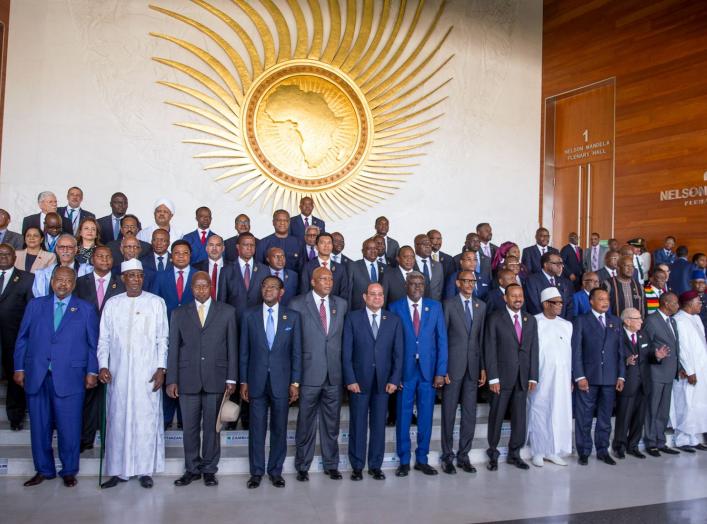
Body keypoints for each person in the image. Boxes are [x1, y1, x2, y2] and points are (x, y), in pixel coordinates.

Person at [14, 266, 99, 487]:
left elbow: (93, 345)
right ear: (52, 282)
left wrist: (92, 371)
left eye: (68, 281)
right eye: (59, 280)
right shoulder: (35, 305)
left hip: (71, 377)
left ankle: (69, 470)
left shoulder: (86, 309)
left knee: (69, 427)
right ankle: (43, 470)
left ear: (74, 284)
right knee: (39, 427)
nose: (63, 284)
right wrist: (19, 368)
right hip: (37, 376)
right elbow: (22, 338)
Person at [98, 259, 169, 489]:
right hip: (118, 374)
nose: (136, 279)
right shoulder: (112, 304)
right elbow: (104, 339)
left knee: (146, 421)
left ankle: (144, 470)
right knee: (118, 421)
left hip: (147, 373)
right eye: (131, 275)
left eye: (139, 275)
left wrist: (161, 368)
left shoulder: (156, 303)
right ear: (123, 279)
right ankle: (119, 471)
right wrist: (103, 365)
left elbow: (162, 339)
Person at [167, 272, 237, 487]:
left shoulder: (227, 312)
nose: (201, 290)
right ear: (191, 288)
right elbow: (173, 350)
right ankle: (192, 468)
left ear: (211, 286)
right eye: (196, 286)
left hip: (216, 377)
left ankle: (209, 469)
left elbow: (232, 346)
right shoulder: (179, 313)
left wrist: (232, 378)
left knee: (211, 427)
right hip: (187, 378)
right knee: (189, 427)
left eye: (204, 286)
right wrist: (172, 379)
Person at [240, 276, 302, 488]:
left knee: (279, 428)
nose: (268, 290)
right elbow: (244, 352)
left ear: (281, 292)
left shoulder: (292, 317)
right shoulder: (249, 315)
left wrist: (295, 382)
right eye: (265, 286)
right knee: (256, 429)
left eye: (273, 287)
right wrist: (243, 381)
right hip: (256, 381)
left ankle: (276, 471)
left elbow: (296, 353)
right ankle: (256, 472)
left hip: (282, 382)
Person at [290, 267, 348, 481]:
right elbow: (293, 343)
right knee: (305, 422)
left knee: (331, 424)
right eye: (323, 279)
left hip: (333, 374)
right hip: (309, 374)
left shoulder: (341, 305)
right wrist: (294, 379)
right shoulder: (297, 304)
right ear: (313, 282)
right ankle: (302, 465)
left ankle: (331, 464)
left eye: (331, 278)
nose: (328, 282)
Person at [389, 271, 447, 477]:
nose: (417, 288)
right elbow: (391, 344)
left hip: (428, 372)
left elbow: (442, 340)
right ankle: (403, 460)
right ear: (406, 285)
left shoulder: (435, 307)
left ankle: (422, 458)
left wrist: (441, 371)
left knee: (426, 416)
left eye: (420, 284)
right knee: (403, 415)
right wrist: (394, 376)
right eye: (413, 284)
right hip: (405, 372)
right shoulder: (394, 308)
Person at [343, 282, 403, 481]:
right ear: (364, 297)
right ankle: (357, 466)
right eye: (373, 294)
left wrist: (395, 379)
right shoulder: (352, 318)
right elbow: (346, 353)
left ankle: (375, 466)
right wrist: (350, 378)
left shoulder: (393, 320)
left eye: (380, 294)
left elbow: (398, 354)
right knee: (358, 425)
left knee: (379, 426)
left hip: (384, 383)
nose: (377, 298)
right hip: (358, 382)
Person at [74, 246, 125, 452]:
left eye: (108, 256)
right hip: (86, 345)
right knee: (89, 394)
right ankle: (86, 437)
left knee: (113, 396)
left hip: (115, 347)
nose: (104, 259)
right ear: (92, 259)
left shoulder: (121, 283)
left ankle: (110, 439)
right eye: (100, 256)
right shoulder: (80, 283)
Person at [485, 283, 538, 471]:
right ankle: (492, 453)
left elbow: (533, 349)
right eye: (513, 296)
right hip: (501, 377)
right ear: (505, 298)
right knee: (497, 416)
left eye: (520, 295)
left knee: (519, 417)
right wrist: (493, 378)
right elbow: (489, 348)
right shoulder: (495, 318)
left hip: (523, 378)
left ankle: (514, 454)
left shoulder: (530, 319)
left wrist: (533, 376)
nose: (518, 299)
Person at [572, 288, 625, 466]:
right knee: (584, 416)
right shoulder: (581, 320)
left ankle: (602, 450)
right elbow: (576, 351)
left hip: (610, 378)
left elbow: (620, 351)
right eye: (601, 299)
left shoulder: (615, 321)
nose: (605, 302)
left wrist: (621, 376)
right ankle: (584, 451)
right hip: (589, 377)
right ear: (591, 301)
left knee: (605, 418)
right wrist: (579, 376)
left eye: (607, 299)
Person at [440, 270, 486, 474]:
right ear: (458, 283)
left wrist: (483, 367)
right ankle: (447, 456)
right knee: (448, 413)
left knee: (470, 414)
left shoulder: (481, 306)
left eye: (472, 281)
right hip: (453, 367)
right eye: (465, 281)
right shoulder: (448, 304)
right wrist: (443, 368)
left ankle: (463, 456)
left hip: (473, 368)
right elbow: (442, 339)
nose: (469, 284)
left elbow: (481, 339)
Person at [150, 239, 196, 429]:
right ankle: (166, 421)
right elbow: (153, 306)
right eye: (177, 253)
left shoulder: (198, 276)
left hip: (191, 337)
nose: (181, 256)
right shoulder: (161, 277)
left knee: (187, 377)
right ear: (171, 256)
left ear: (190, 255)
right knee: (168, 374)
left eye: (185, 253)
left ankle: (187, 422)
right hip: (166, 335)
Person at [611, 308, 665, 459]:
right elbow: (611, 358)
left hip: (644, 384)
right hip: (627, 383)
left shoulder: (643, 334)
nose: (642, 321)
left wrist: (657, 356)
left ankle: (632, 446)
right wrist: (625, 362)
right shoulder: (618, 336)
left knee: (639, 418)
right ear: (627, 321)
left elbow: (649, 356)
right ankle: (619, 447)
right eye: (638, 318)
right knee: (624, 417)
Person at [527, 287, 572, 467]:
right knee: (539, 410)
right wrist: (532, 376)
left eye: (561, 302)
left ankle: (553, 450)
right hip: (541, 375)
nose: (560, 306)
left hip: (562, 378)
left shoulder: (567, 325)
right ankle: (538, 451)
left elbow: (568, 353)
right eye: (556, 302)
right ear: (545, 304)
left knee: (559, 411)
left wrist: (570, 378)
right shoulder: (534, 322)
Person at [0, 244, 35, 431]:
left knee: (15, 380)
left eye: (7, 254)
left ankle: (16, 417)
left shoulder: (27, 278)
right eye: (0, 254)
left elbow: (31, 310)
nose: (4, 257)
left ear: (15, 257)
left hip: (13, 338)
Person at [642, 292, 682, 456]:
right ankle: (651, 442)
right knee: (652, 408)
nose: (678, 306)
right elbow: (645, 344)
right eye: (675, 303)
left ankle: (660, 441)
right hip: (655, 371)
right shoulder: (652, 320)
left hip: (669, 371)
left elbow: (675, 345)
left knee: (664, 410)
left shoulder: (671, 320)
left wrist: (678, 366)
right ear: (666, 303)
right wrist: (656, 354)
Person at [671, 291, 707, 450]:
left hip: (701, 368)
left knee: (697, 404)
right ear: (689, 304)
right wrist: (690, 370)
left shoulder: (696, 318)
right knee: (685, 403)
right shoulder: (679, 320)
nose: (701, 304)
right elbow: (683, 348)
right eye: (698, 302)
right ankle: (682, 439)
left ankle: (694, 438)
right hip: (688, 372)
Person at [223, 232, 268, 321]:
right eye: (245, 244)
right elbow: (222, 300)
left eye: (252, 245)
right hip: (233, 320)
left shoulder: (264, 270)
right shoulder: (226, 270)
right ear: (238, 247)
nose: (249, 248)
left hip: (257, 319)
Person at [524, 251, 574, 320]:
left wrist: (563, 321)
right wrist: (549, 320)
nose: (559, 266)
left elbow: (569, 306)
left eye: (561, 263)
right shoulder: (532, 280)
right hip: (541, 323)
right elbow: (534, 305)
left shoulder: (564, 282)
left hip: (562, 324)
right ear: (545, 264)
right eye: (556, 263)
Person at [300, 232, 349, 299]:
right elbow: (304, 291)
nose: (326, 246)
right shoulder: (307, 267)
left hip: (335, 307)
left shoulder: (341, 269)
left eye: (329, 243)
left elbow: (344, 293)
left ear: (332, 246)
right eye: (322, 243)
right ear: (316, 247)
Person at [348, 238, 385, 311]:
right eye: (369, 248)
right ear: (363, 251)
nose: (373, 251)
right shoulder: (353, 266)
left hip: (381, 312)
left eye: (375, 248)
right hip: (358, 311)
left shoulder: (385, 268)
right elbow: (348, 293)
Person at [193, 234, 227, 301]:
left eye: (218, 245)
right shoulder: (196, 268)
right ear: (206, 248)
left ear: (223, 248)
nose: (214, 248)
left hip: (226, 308)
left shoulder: (233, 268)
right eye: (211, 245)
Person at [413, 233, 443, 301]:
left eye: (429, 244)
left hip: (434, 307)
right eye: (424, 244)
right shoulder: (410, 265)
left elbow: (440, 290)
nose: (428, 247)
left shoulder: (438, 266)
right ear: (415, 246)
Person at [691, 269, 707, 334]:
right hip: (696, 332)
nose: (700, 285)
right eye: (697, 282)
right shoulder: (688, 299)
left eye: (702, 282)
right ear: (691, 283)